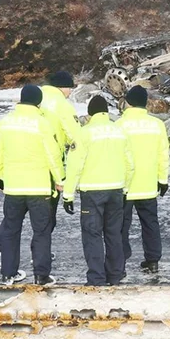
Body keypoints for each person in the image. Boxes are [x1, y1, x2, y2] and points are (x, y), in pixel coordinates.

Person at [0, 85, 64, 286]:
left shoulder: (5, 122)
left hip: (14, 187)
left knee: (11, 230)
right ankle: (41, 275)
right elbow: (53, 155)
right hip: (39, 188)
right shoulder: (42, 123)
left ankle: (8, 274)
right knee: (41, 232)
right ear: (38, 102)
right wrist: (59, 179)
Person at [63, 96, 135, 286]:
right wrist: (125, 188)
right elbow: (130, 164)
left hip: (92, 191)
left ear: (90, 113)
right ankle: (115, 274)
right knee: (114, 233)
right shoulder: (120, 131)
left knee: (92, 234)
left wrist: (68, 194)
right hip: (116, 190)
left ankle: (96, 277)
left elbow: (74, 166)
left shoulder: (84, 133)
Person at [117, 86, 169, 273]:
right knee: (150, 223)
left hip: (126, 186)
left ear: (128, 103)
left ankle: (120, 260)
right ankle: (153, 260)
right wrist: (163, 179)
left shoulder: (120, 125)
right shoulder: (157, 125)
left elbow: (116, 156)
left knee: (121, 225)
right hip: (148, 184)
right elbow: (163, 154)